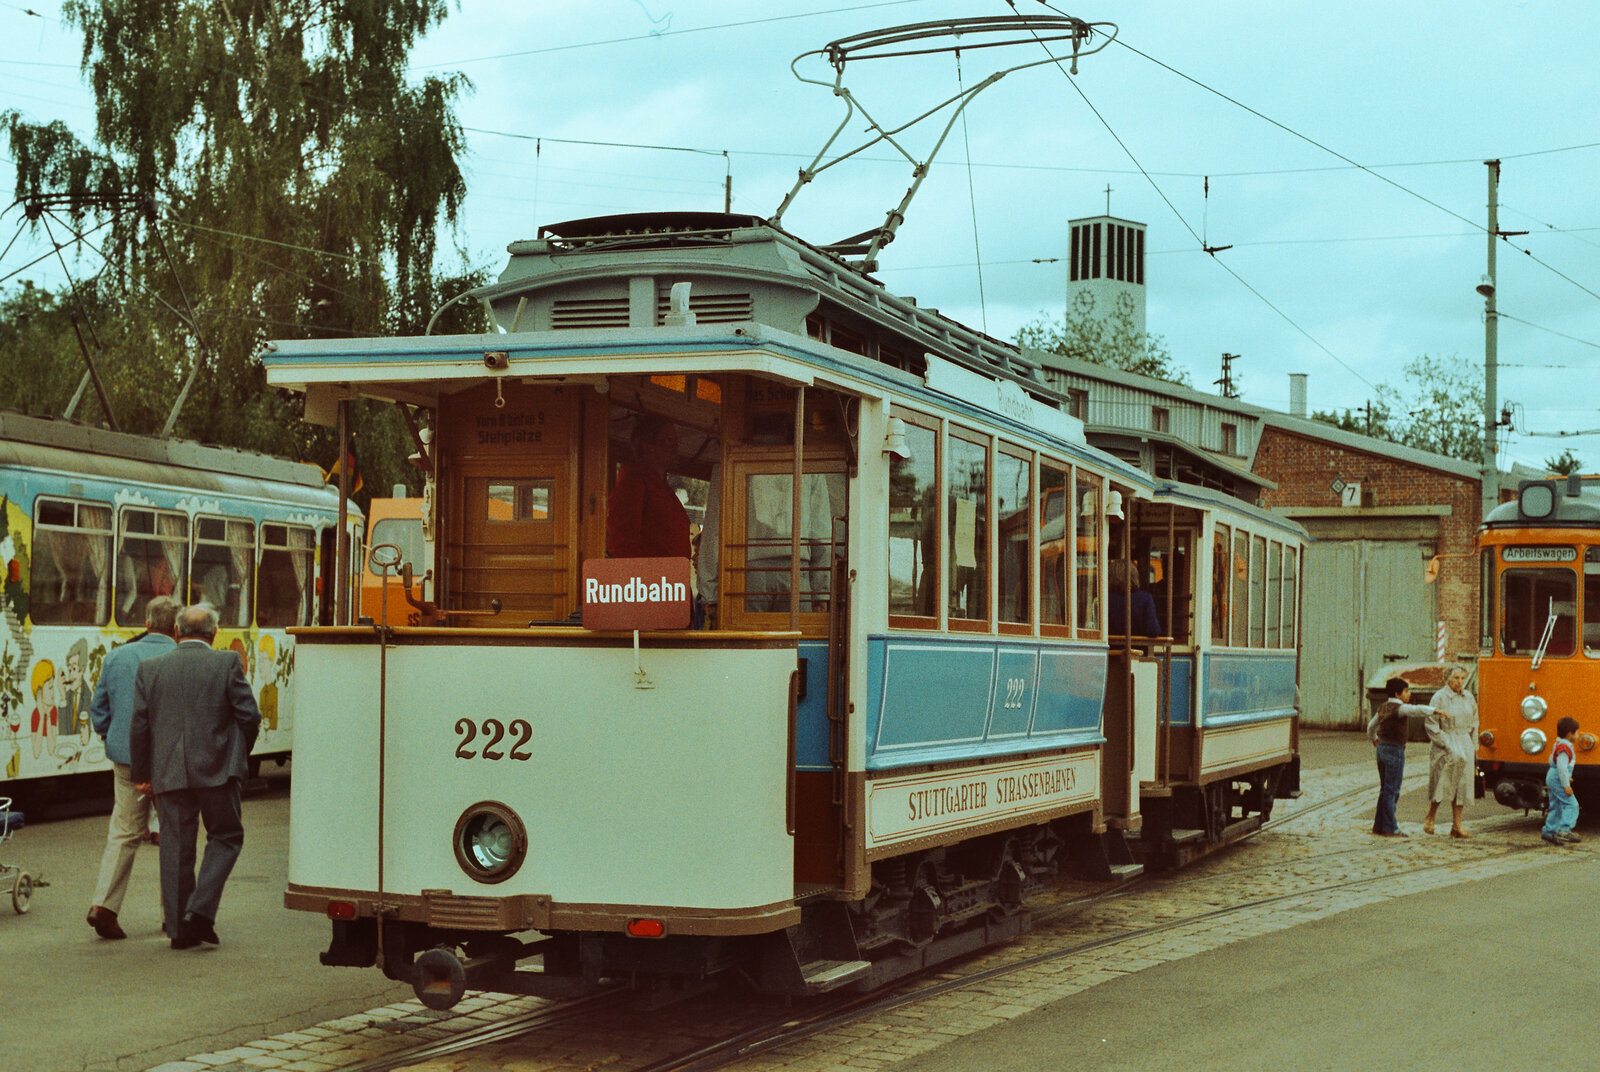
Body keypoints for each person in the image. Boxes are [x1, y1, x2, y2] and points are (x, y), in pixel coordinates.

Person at [130, 603, 261, 950]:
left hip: (168, 773)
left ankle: (179, 931)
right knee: (227, 836)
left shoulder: (150, 669)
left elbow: (140, 725)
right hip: (218, 772)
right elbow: (250, 716)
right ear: (214, 634)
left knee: (174, 848)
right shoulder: (227, 663)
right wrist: (236, 756)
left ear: (176, 631)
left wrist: (143, 774)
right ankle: (200, 912)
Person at [85, 595, 180, 940]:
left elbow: (99, 708)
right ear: (177, 628)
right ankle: (174, 914)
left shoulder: (117, 656)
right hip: (171, 763)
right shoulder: (179, 659)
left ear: (146, 624)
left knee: (123, 834)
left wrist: (113, 739)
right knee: (174, 835)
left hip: (125, 761)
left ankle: (103, 907)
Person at [606, 414, 691, 560]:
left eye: (676, 441)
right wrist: (648, 581)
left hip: (670, 580)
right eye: (668, 440)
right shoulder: (633, 487)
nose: (675, 447)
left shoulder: (663, 489)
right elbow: (622, 547)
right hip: (653, 581)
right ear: (647, 447)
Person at [1369, 677, 1442, 837]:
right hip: (1395, 750)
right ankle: (1390, 827)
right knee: (1392, 790)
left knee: (1384, 789)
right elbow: (1415, 710)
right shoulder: (1399, 708)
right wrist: (1434, 710)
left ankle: (1379, 825)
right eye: (1406, 691)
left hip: (1381, 749)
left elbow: (1371, 726)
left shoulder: (1382, 707)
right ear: (1398, 693)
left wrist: (1374, 738)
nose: (1409, 694)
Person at [1422, 666, 1479, 838]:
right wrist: (1445, 743)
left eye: (1462, 678)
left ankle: (1457, 825)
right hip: (1446, 740)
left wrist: (1473, 744)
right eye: (1456, 678)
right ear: (1448, 679)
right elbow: (1431, 723)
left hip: (1464, 740)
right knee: (1443, 780)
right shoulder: (1439, 697)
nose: (1459, 682)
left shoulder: (1468, 697)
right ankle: (1430, 816)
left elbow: (1475, 720)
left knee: (1462, 784)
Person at [1542, 716, 1582, 846]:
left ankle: (1549, 831)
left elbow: (1557, 765)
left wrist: (1566, 776)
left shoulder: (1558, 743)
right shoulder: (1565, 747)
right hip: (1558, 778)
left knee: (1556, 805)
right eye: (1577, 732)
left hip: (1554, 776)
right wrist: (1566, 784)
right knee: (1572, 804)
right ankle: (1564, 830)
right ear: (1570, 733)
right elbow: (1561, 766)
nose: (1578, 735)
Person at [1107, 559, 1161, 637]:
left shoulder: (1105, 598)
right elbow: (1153, 630)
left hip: (1110, 648)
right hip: (1138, 648)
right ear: (1134, 576)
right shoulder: (1145, 598)